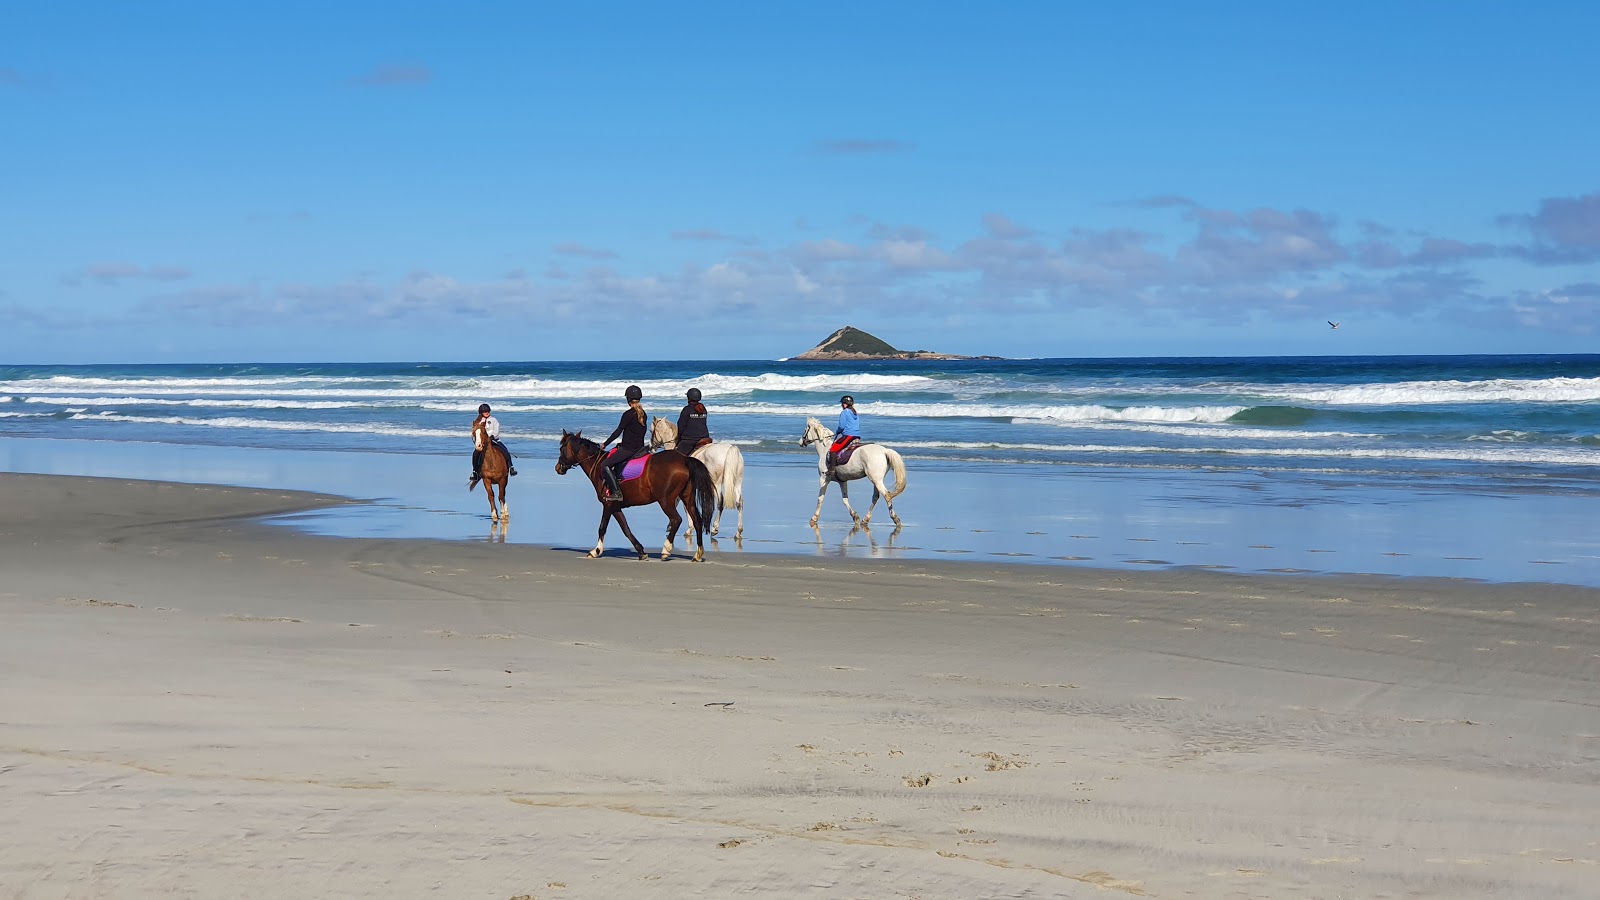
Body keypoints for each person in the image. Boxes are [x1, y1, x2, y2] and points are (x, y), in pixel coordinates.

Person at [599, 384, 648, 500]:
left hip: (629, 449)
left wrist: (605, 444)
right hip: (639, 448)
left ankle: (616, 492)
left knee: (604, 464)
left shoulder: (628, 414)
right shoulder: (643, 414)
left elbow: (618, 432)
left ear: (628, 399)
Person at [471, 403, 517, 479]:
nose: (487, 412)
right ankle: (475, 472)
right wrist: (477, 442)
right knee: (475, 454)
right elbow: (475, 433)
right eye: (485, 411)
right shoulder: (478, 422)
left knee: (505, 451)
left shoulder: (493, 420)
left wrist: (492, 437)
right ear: (481, 412)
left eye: (488, 411)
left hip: (494, 440)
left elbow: (496, 431)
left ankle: (511, 467)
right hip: (483, 443)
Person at [827, 394, 860, 475]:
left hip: (848, 436)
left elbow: (841, 426)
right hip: (857, 436)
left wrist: (838, 431)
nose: (841, 405)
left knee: (833, 449)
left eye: (843, 403)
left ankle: (831, 470)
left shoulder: (844, 412)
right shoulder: (855, 413)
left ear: (846, 404)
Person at [674, 387, 712, 454]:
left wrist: (679, 439)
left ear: (689, 398)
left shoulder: (687, 409)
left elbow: (681, 425)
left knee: (677, 456)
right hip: (705, 438)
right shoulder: (703, 409)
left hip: (690, 440)